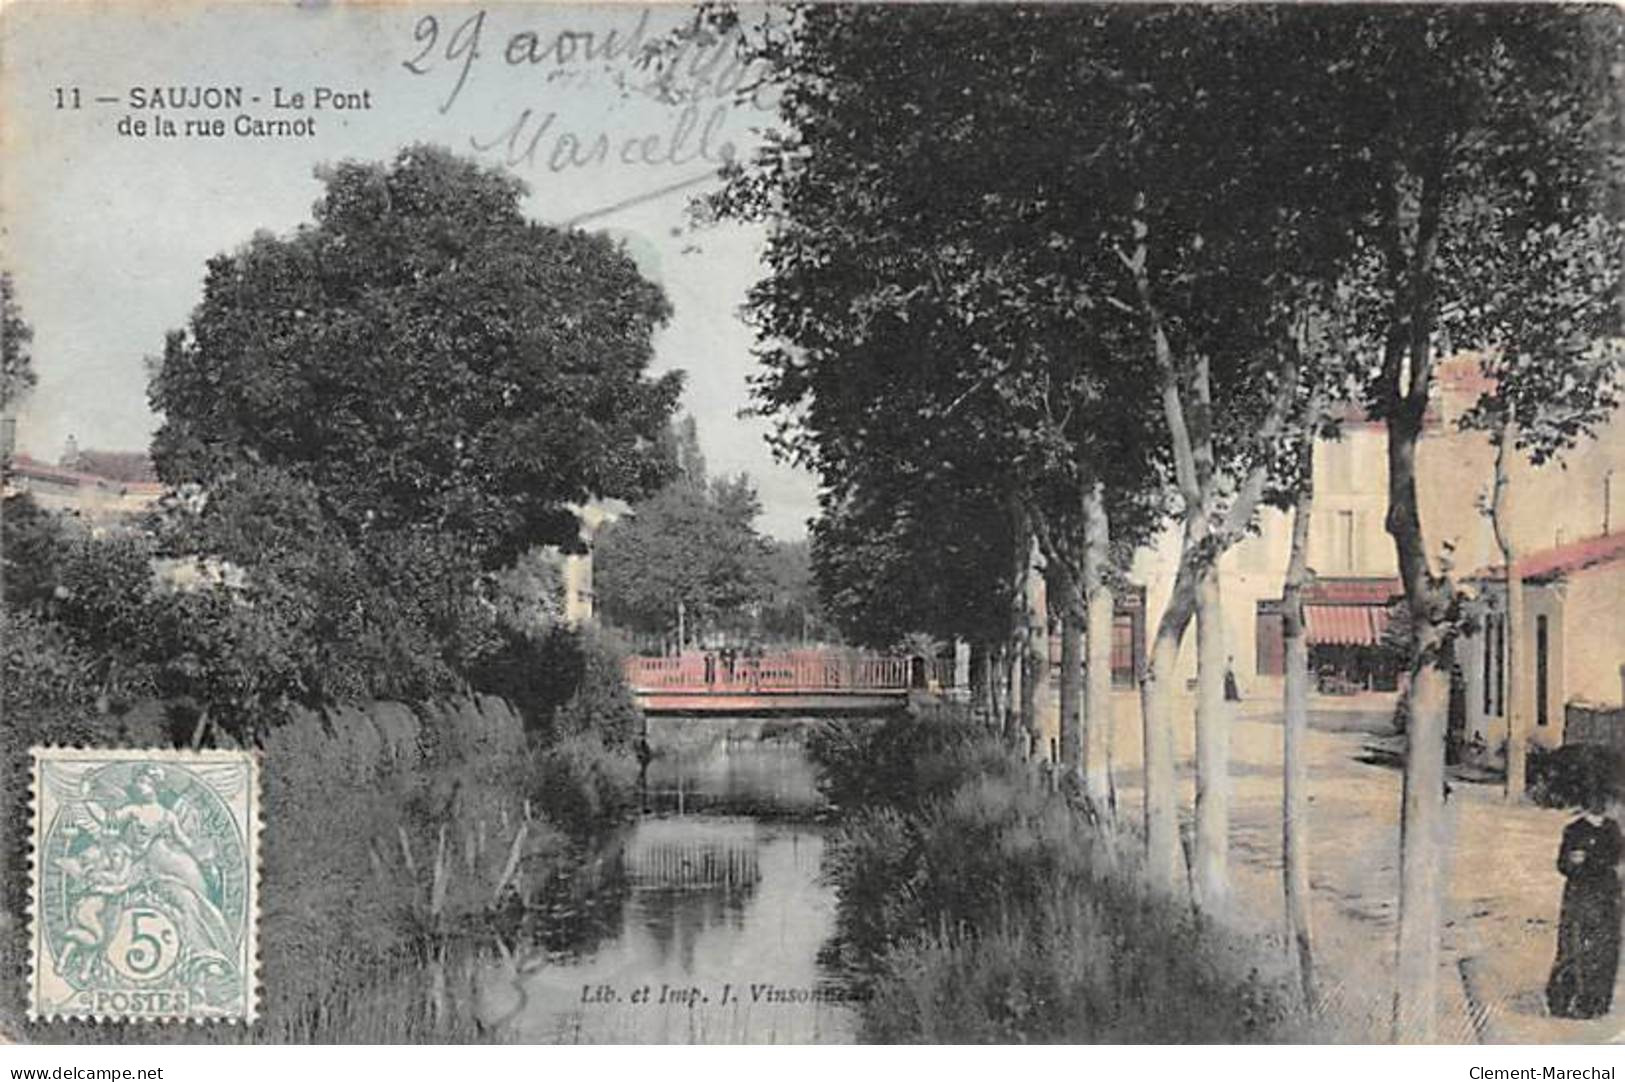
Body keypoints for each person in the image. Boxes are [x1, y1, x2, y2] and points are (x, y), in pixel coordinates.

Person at [1546, 792, 1622, 1020]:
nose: (1600, 805)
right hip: (1580, 897)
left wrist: (1591, 861)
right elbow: (1563, 865)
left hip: (1607, 897)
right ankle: (1562, 1000)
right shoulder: (1575, 829)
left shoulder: (1613, 829)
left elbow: (1618, 859)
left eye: (1604, 801)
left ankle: (1595, 1003)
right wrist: (1574, 862)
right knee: (1574, 947)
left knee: (1604, 950)